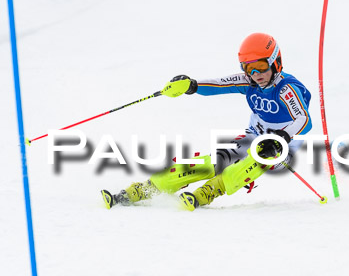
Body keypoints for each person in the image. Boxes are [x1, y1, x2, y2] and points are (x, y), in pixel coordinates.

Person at [101, 32, 312, 211]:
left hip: (282, 143)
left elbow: (304, 119)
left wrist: (281, 138)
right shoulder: (249, 82)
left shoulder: (286, 89)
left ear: (276, 62)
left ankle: (209, 191)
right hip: (254, 135)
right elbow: (219, 84)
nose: (255, 74)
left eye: (260, 66)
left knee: (257, 158)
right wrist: (191, 86)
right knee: (215, 161)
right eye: (248, 68)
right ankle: (146, 188)